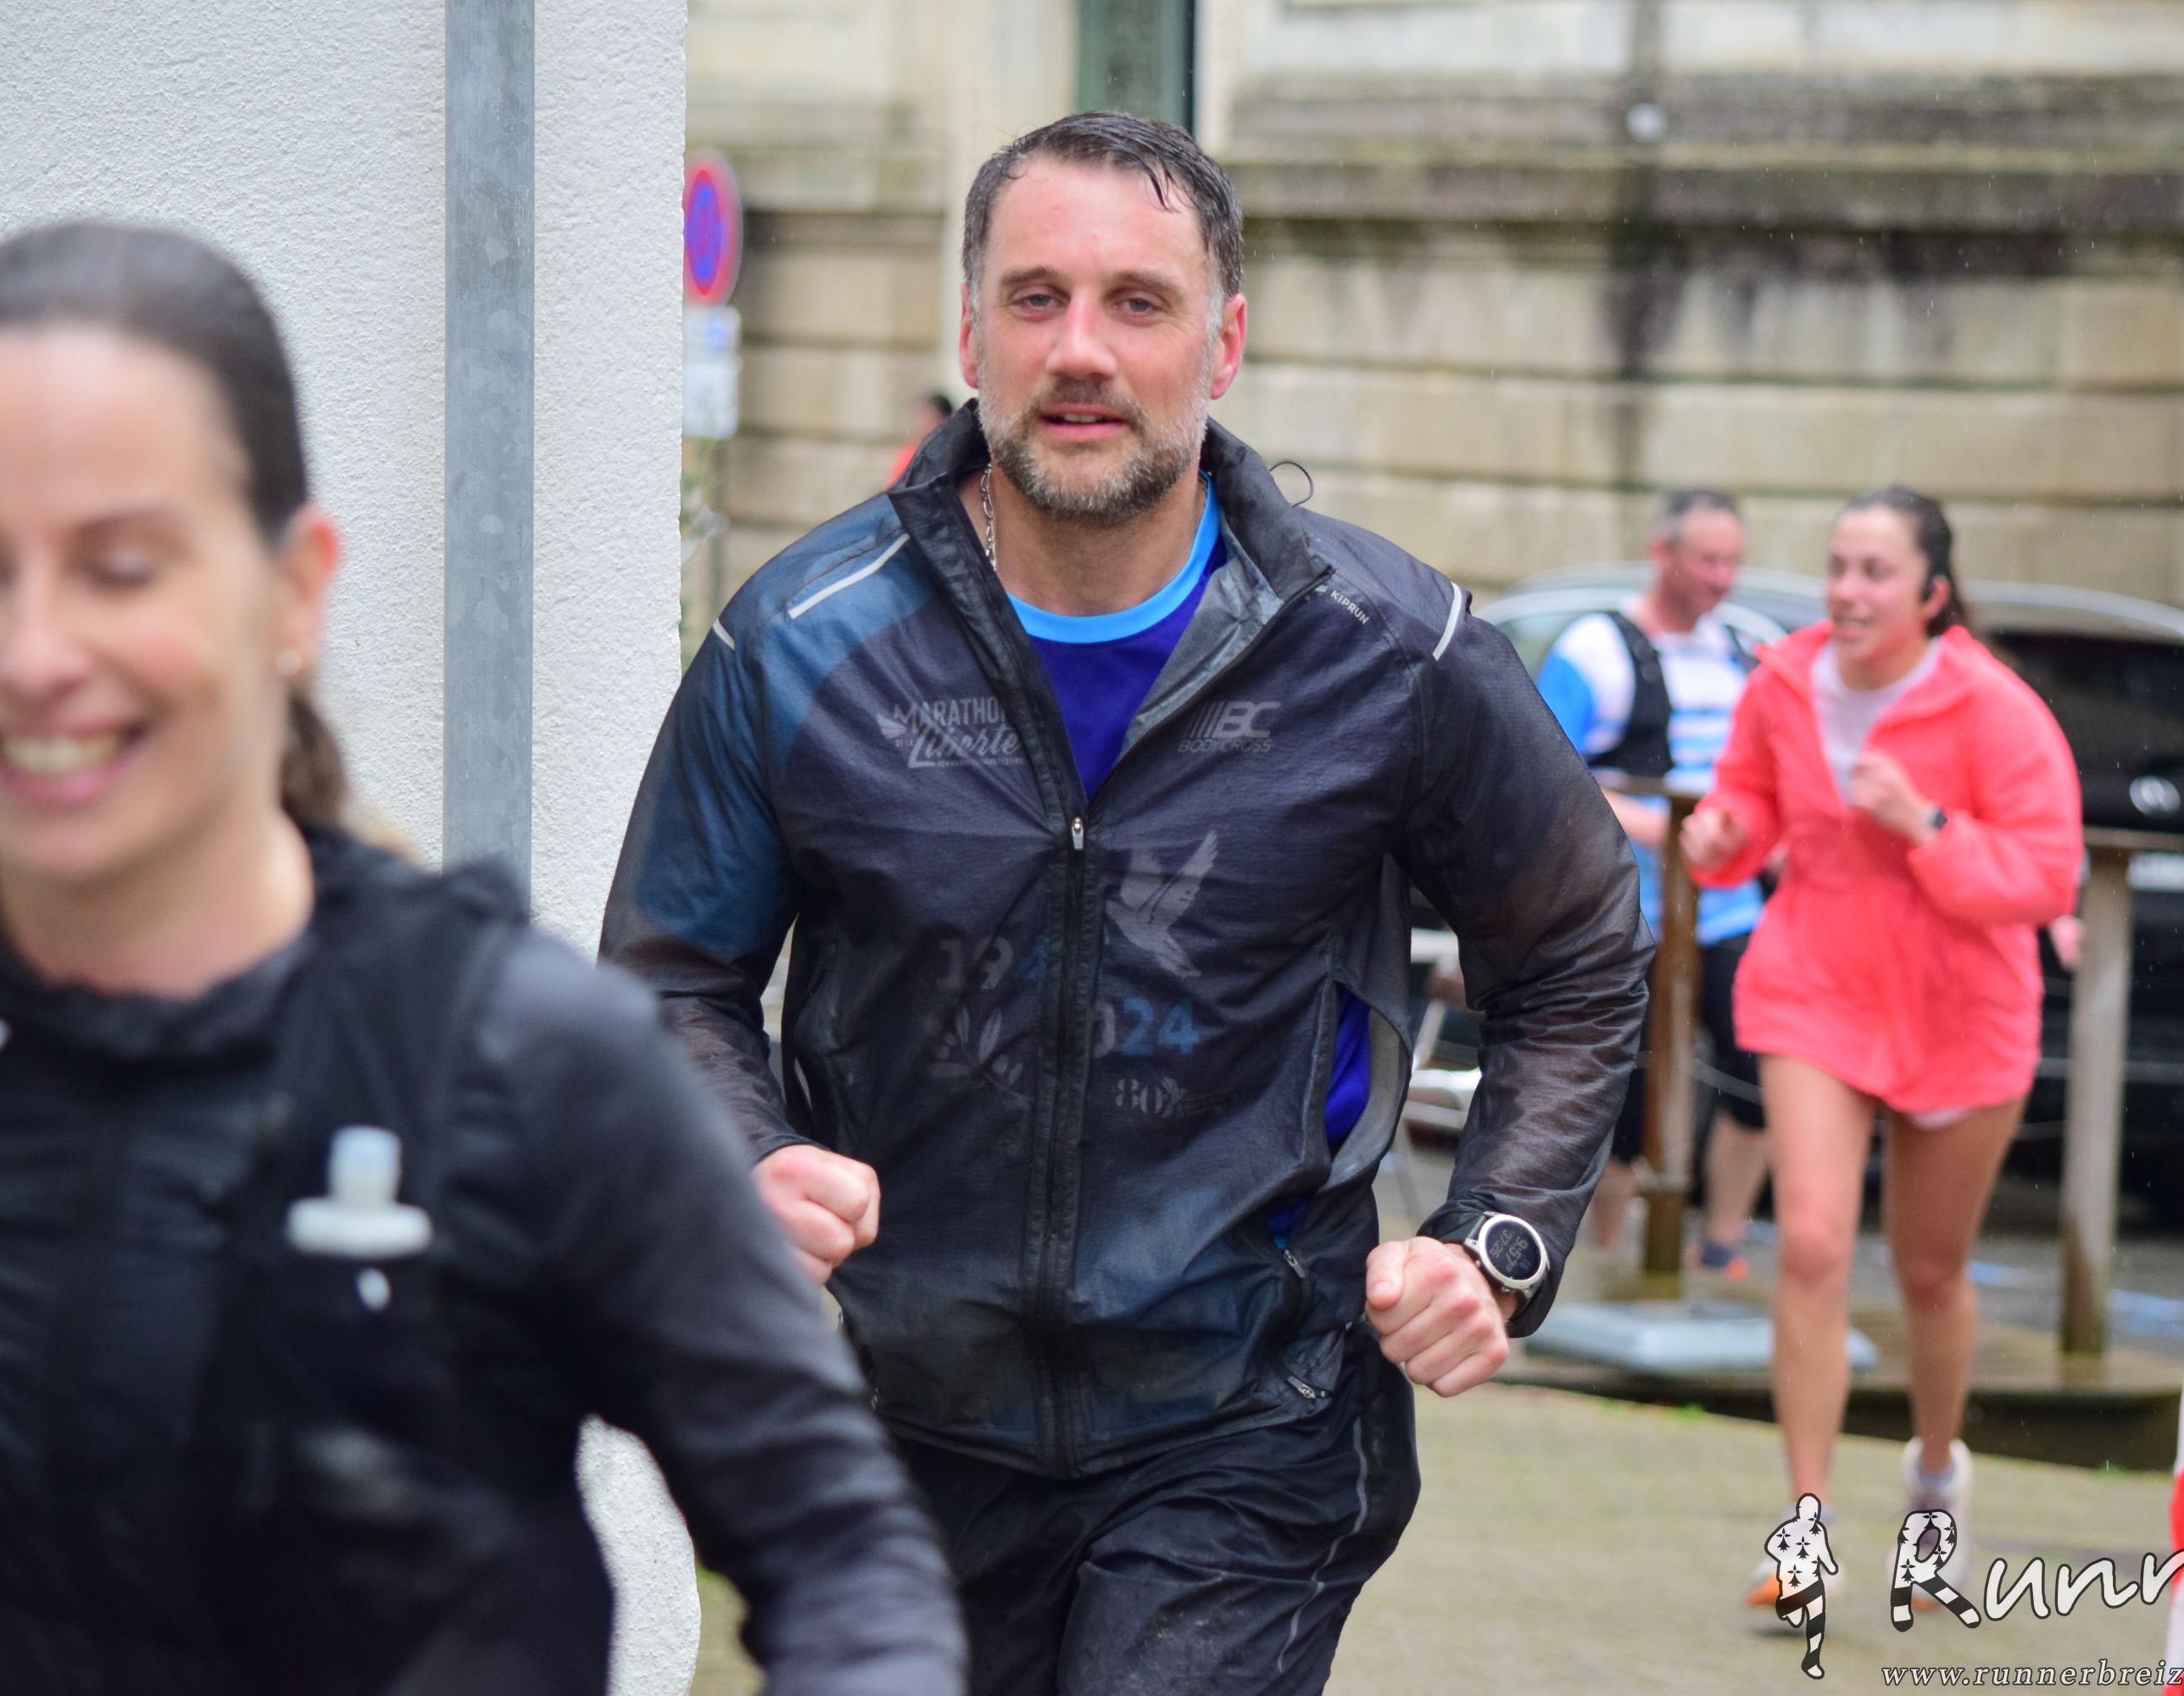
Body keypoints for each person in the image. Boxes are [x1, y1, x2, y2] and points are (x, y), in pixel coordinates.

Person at [603, 112, 1650, 1695]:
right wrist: (743, 1157)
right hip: (905, 1420)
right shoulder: (802, 644)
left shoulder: (1384, 649)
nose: (1079, 350)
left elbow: (1575, 948)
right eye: (1034, 298)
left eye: (1137, 302)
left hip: (1254, 1418)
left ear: (1222, 343)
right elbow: (672, 977)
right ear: (971, 335)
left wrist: (1496, 1236)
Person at [0, 220, 964, 1696]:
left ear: (295, 589)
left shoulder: (517, 1062)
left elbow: (843, 1560)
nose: (35, 653)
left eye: (122, 568)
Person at [1679, 488, 2080, 1615]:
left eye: (1876, 573)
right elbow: (1745, 807)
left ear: (1931, 594)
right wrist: (1719, 838)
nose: (1848, 592)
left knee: (1929, 1272)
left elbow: (2047, 874)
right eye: (1838, 567)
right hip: (1817, 985)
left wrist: (1928, 825)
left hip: (1960, 1008)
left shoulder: (1993, 709)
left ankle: (1936, 1481)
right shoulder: (1784, 679)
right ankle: (1803, 1535)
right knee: (1810, 1241)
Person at [1535, 488, 1771, 1273]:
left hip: (1727, 905)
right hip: (1623, 909)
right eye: (1707, 559)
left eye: (1733, 560)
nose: (1722, 576)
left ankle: (1720, 1244)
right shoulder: (1595, 650)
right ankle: (1604, 1259)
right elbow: (1544, 765)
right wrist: (1652, 827)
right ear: (1661, 553)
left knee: (1758, 1073)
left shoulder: (1738, 652)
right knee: (1624, 1096)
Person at [884, 390, 955, 487]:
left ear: (945, 421)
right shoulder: (909, 454)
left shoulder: (953, 456)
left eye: (930, 420)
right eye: (921, 419)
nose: (922, 426)